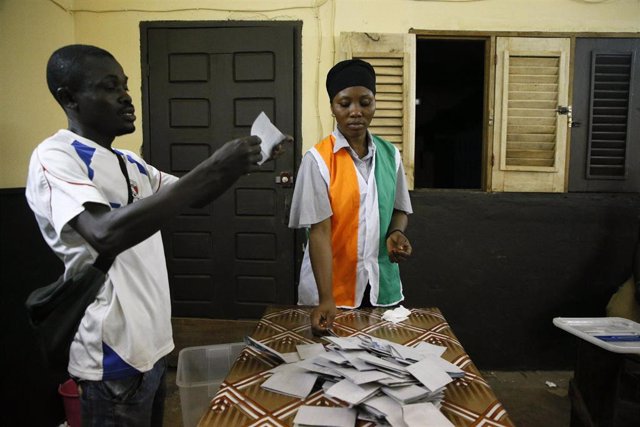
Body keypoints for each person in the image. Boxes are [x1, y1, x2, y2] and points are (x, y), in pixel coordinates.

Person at [25, 44, 288, 426]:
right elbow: (103, 233)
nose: (125, 96)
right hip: (113, 357)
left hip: (153, 347)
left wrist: (245, 162)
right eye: (109, 86)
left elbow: (196, 194)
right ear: (70, 99)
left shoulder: (130, 163)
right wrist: (215, 165)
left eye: (125, 85)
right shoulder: (55, 156)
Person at [288, 59, 413, 335]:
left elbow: (399, 210)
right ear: (333, 107)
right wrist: (326, 298)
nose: (356, 112)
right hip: (332, 290)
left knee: (377, 365)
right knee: (329, 368)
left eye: (365, 102)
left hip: (380, 285)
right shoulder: (318, 160)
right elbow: (319, 232)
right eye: (345, 104)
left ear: (374, 103)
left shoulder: (390, 155)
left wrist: (395, 233)